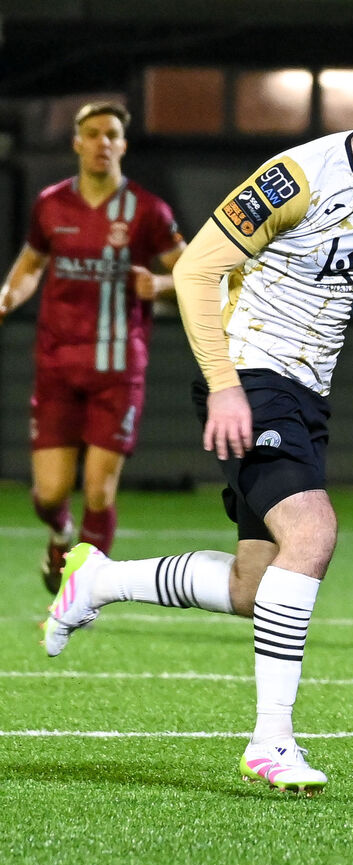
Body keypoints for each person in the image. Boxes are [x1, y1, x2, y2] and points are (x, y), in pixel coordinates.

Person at [40, 46, 353, 795]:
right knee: (314, 533)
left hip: (306, 393)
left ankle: (98, 579)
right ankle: (271, 742)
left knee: (253, 586)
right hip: (250, 375)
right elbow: (196, 268)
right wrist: (224, 386)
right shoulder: (296, 177)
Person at [0, 101, 186, 594]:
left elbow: (190, 272)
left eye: (111, 134)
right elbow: (31, 264)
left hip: (118, 368)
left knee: (99, 492)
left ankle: (81, 590)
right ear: (77, 143)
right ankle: (60, 533)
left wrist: (160, 286)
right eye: (94, 133)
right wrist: (7, 296)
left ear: (123, 145)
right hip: (57, 366)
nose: (103, 142)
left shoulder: (148, 210)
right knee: (48, 494)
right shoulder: (51, 204)